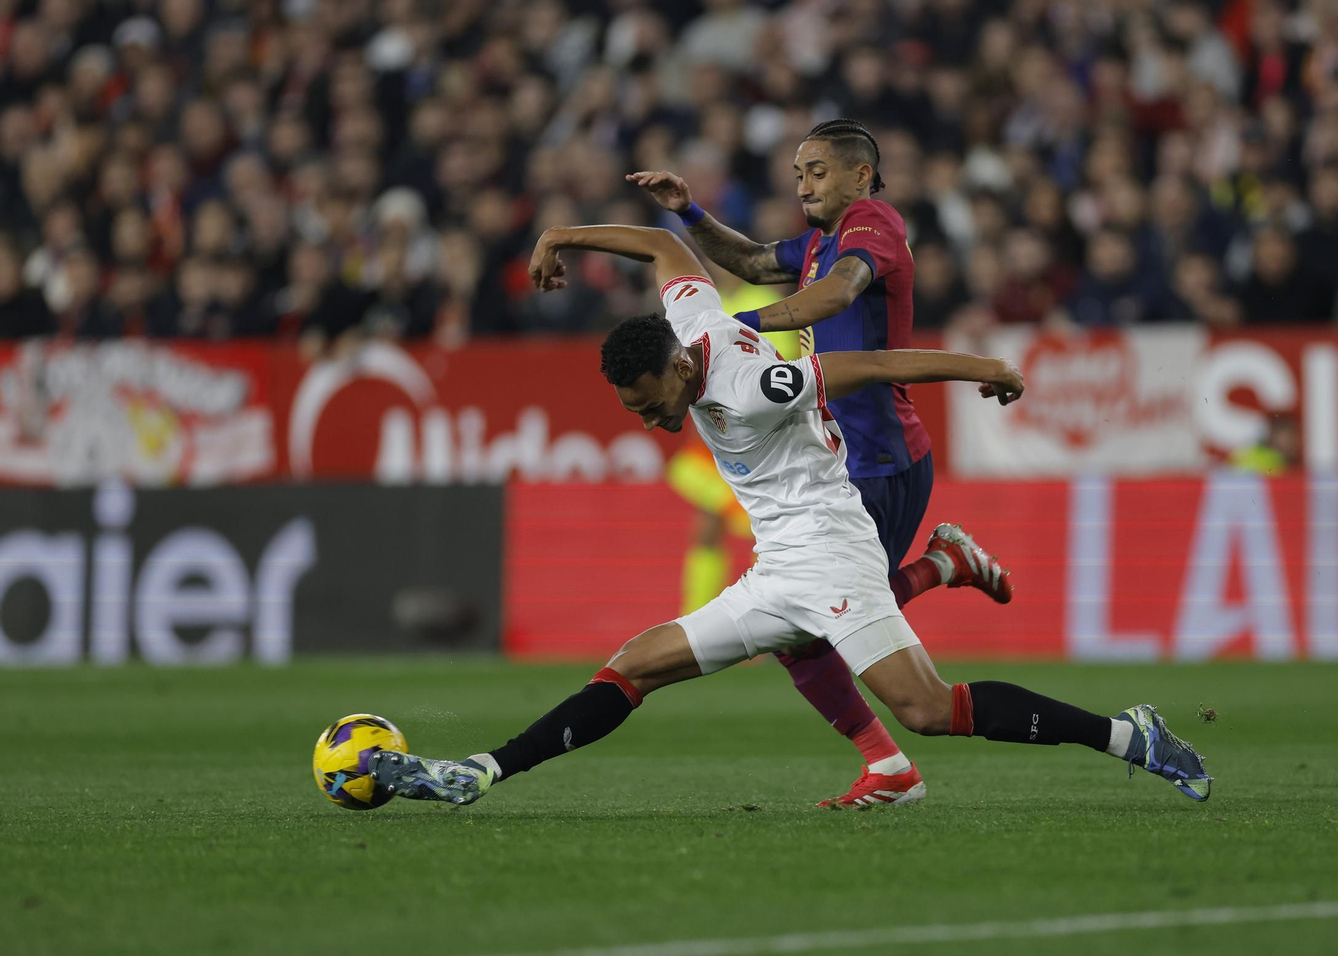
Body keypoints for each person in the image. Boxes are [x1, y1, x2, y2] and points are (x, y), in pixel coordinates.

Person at [367, 223, 1211, 808]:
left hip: (833, 550)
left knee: (927, 709)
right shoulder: (690, 324)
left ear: (675, 371)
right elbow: (664, 245)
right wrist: (561, 236)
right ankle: (478, 773)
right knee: (633, 666)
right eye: (636, 413)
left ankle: (1128, 736)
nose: (654, 420)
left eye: (651, 403)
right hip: (778, 566)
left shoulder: (747, 382)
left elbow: (875, 363)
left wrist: (983, 364)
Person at [626, 119, 1013, 807]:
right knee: (824, 616)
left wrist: (730, 333)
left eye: (817, 172)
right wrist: (689, 211)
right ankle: (940, 584)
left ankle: (893, 756)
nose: (803, 184)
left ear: (860, 176)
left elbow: (836, 295)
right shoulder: (820, 242)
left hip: (879, 454)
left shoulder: (873, 226)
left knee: (814, 624)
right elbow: (748, 262)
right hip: (839, 457)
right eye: (798, 173)